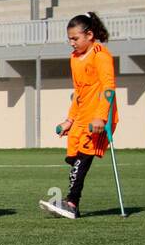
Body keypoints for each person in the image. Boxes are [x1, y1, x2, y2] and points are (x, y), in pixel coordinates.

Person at [42, 12, 117, 219]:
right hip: (82, 116)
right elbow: (78, 92)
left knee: (83, 157)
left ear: (89, 35)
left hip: (98, 118)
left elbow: (108, 88)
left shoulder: (101, 55)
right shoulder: (74, 59)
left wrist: (102, 117)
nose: (71, 43)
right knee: (74, 157)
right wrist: (69, 119)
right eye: (70, 39)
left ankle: (72, 203)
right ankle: (71, 202)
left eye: (75, 38)